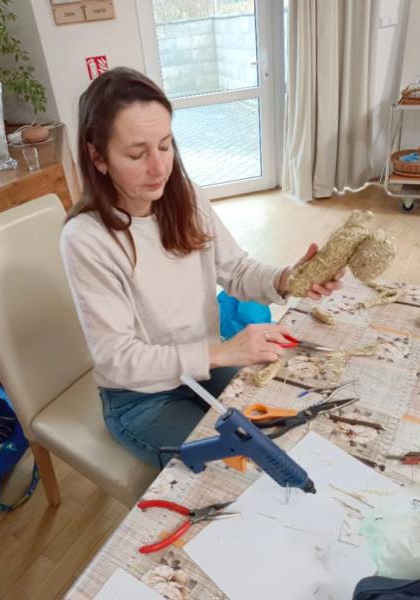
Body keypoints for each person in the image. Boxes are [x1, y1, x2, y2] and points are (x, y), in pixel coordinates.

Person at [60, 67, 343, 469]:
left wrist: (289, 278)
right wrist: (222, 351)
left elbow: (237, 270)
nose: (159, 167)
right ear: (97, 156)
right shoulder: (87, 239)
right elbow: (117, 359)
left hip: (204, 369)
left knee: (288, 420)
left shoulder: (185, 197)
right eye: (137, 155)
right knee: (239, 467)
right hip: (141, 398)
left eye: (165, 145)